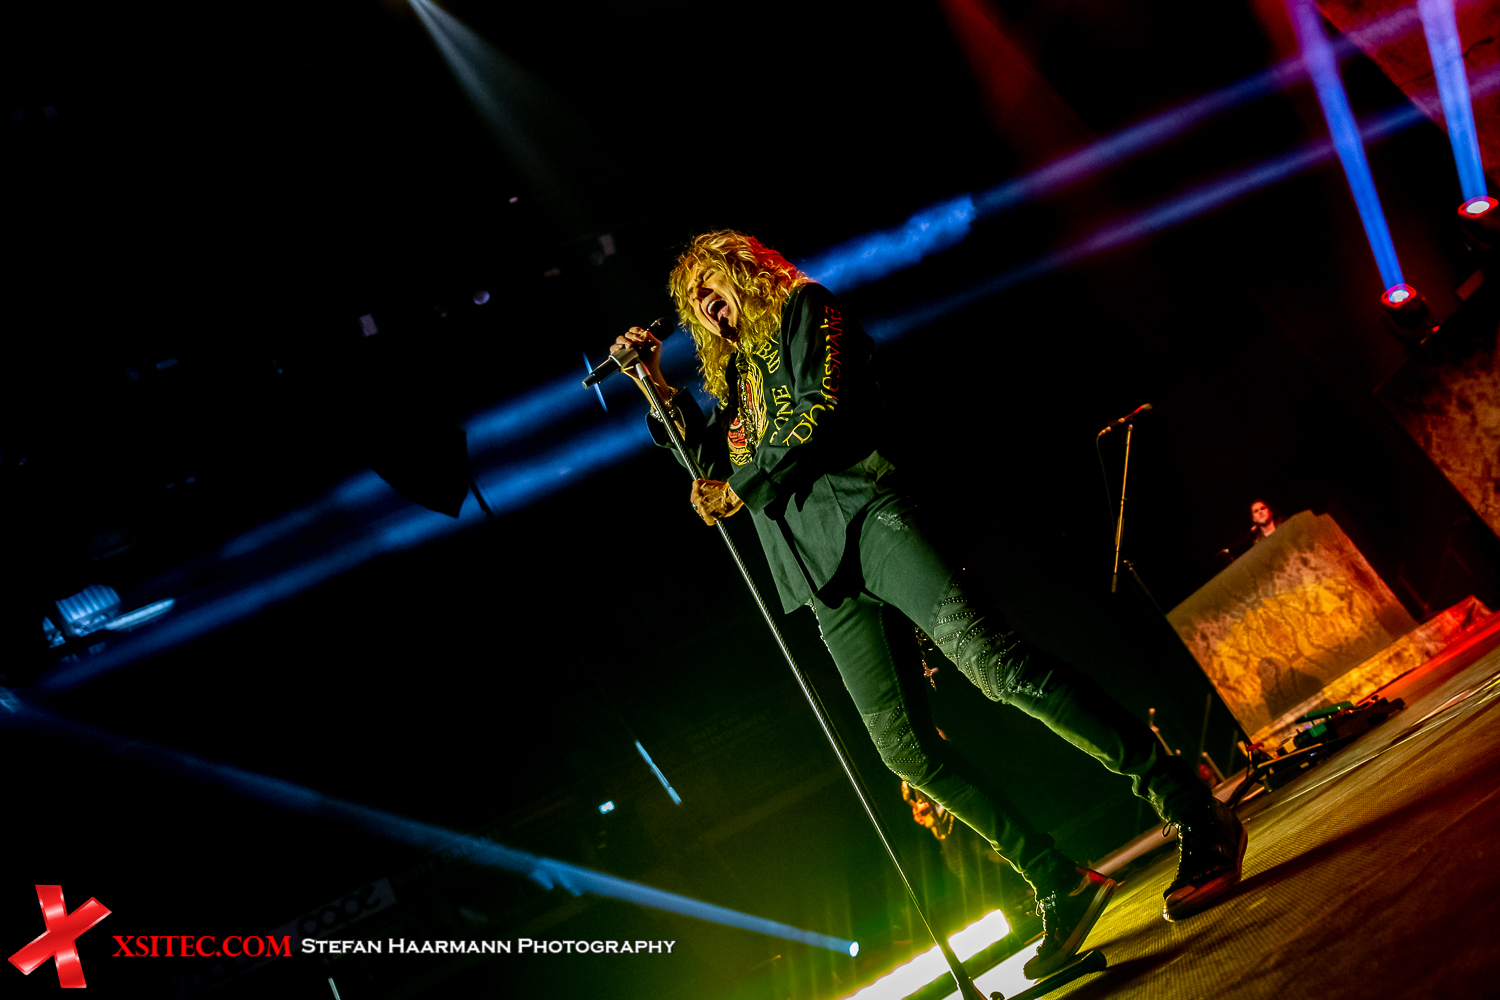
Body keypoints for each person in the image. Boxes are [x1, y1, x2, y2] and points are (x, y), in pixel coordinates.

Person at [610, 230, 1245, 979]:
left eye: (713, 288)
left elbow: (821, 414)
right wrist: (655, 384)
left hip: (873, 517)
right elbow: (710, 461)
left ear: (745, 273)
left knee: (999, 669)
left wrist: (740, 487)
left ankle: (1189, 804)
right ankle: (1056, 878)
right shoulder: (740, 378)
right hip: (817, 572)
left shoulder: (808, 309)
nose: (709, 308)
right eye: (696, 304)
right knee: (903, 752)